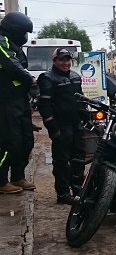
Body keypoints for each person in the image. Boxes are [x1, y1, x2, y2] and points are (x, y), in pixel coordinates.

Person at [38, 48, 86, 206]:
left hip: (76, 124)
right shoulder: (47, 78)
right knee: (61, 162)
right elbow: (44, 105)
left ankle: (79, 190)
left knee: (79, 158)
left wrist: (86, 119)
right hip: (61, 126)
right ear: (54, 61)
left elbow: (81, 102)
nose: (65, 62)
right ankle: (63, 194)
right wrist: (52, 127)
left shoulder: (75, 77)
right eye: (61, 60)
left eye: (67, 59)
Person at [0, 12, 37, 194]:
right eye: (23, 32)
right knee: (10, 142)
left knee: (27, 141)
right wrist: (30, 80)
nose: (25, 37)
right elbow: (12, 65)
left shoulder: (14, 44)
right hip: (6, 100)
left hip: (20, 100)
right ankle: (1, 180)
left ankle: (17, 176)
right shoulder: (1, 42)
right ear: (15, 30)